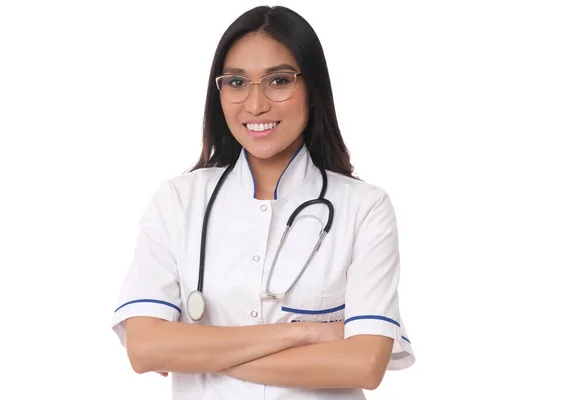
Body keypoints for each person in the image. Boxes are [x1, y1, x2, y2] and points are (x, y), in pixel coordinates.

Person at [111, 5, 415, 399]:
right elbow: (145, 348)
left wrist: (197, 352)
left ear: (313, 88)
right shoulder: (178, 202)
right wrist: (304, 333)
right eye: (237, 82)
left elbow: (364, 364)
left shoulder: (364, 208)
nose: (255, 105)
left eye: (279, 81)